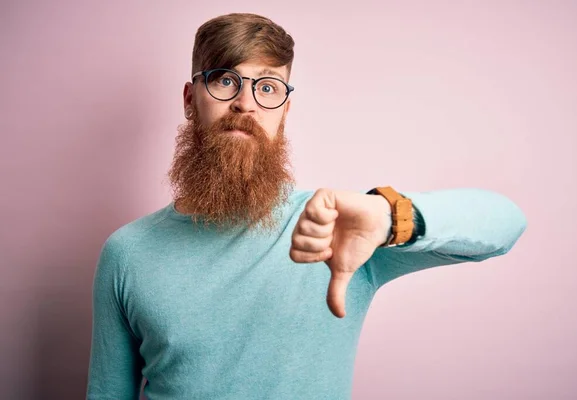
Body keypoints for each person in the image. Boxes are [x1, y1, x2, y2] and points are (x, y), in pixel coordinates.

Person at [86, 12, 527, 400]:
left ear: (285, 110)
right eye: (225, 80)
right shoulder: (127, 253)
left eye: (267, 86)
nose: (245, 103)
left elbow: (506, 223)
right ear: (189, 99)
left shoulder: (338, 229)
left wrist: (389, 217)